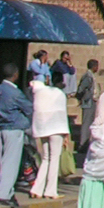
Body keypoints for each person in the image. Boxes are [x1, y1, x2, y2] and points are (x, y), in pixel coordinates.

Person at [0, 64, 31, 208]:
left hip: (2, 127)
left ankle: (8, 191)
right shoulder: (15, 92)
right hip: (14, 128)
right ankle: (4, 195)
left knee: (4, 160)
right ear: (15, 75)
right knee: (11, 163)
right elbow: (28, 107)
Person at [29, 71, 69, 199]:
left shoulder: (40, 93)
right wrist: (66, 134)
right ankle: (50, 191)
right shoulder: (59, 94)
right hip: (57, 129)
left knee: (45, 158)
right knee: (54, 159)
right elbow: (62, 114)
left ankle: (37, 189)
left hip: (42, 128)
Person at [73, 60, 99, 171]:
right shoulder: (87, 77)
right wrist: (84, 97)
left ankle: (86, 142)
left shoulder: (91, 76)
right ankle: (82, 144)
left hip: (91, 102)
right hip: (88, 103)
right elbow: (81, 89)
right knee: (86, 123)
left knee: (89, 123)